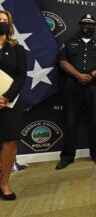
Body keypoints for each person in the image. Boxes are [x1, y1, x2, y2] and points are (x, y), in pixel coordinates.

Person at [55, 14, 96, 170]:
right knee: (70, 122)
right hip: (72, 86)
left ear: (94, 27)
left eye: (91, 24)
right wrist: (78, 75)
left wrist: (91, 75)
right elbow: (63, 62)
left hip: (94, 87)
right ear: (80, 26)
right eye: (85, 24)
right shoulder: (69, 44)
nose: (88, 27)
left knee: (95, 122)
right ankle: (67, 156)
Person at [0, 10, 27, 200]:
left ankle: (4, 183)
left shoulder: (17, 49)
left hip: (9, 102)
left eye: (4, 20)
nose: (1, 22)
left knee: (9, 142)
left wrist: (6, 97)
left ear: (9, 25)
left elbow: (21, 75)